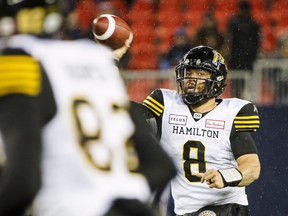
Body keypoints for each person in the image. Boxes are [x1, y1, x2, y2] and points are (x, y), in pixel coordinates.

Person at [0, 0, 175, 215]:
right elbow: (162, 166)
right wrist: (117, 194)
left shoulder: (18, 62)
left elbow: (23, 183)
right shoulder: (95, 59)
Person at [139, 45, 261, 215]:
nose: (192, 78)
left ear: (217, 80)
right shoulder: (165, 104)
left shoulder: (231, 113)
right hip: (186, 211)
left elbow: (252, 168)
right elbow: (128, 119)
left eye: (201, 74)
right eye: (189, 72)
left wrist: (226, 176)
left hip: (227, 207)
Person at [226, 0, 261, 98]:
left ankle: (237, 100)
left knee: (237, 84)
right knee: (244, 84)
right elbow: (257, 42)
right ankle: (243, 102)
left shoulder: (233, 22)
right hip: (245, 58)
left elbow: (229, 41)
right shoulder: (254, 23)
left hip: (237, 58)